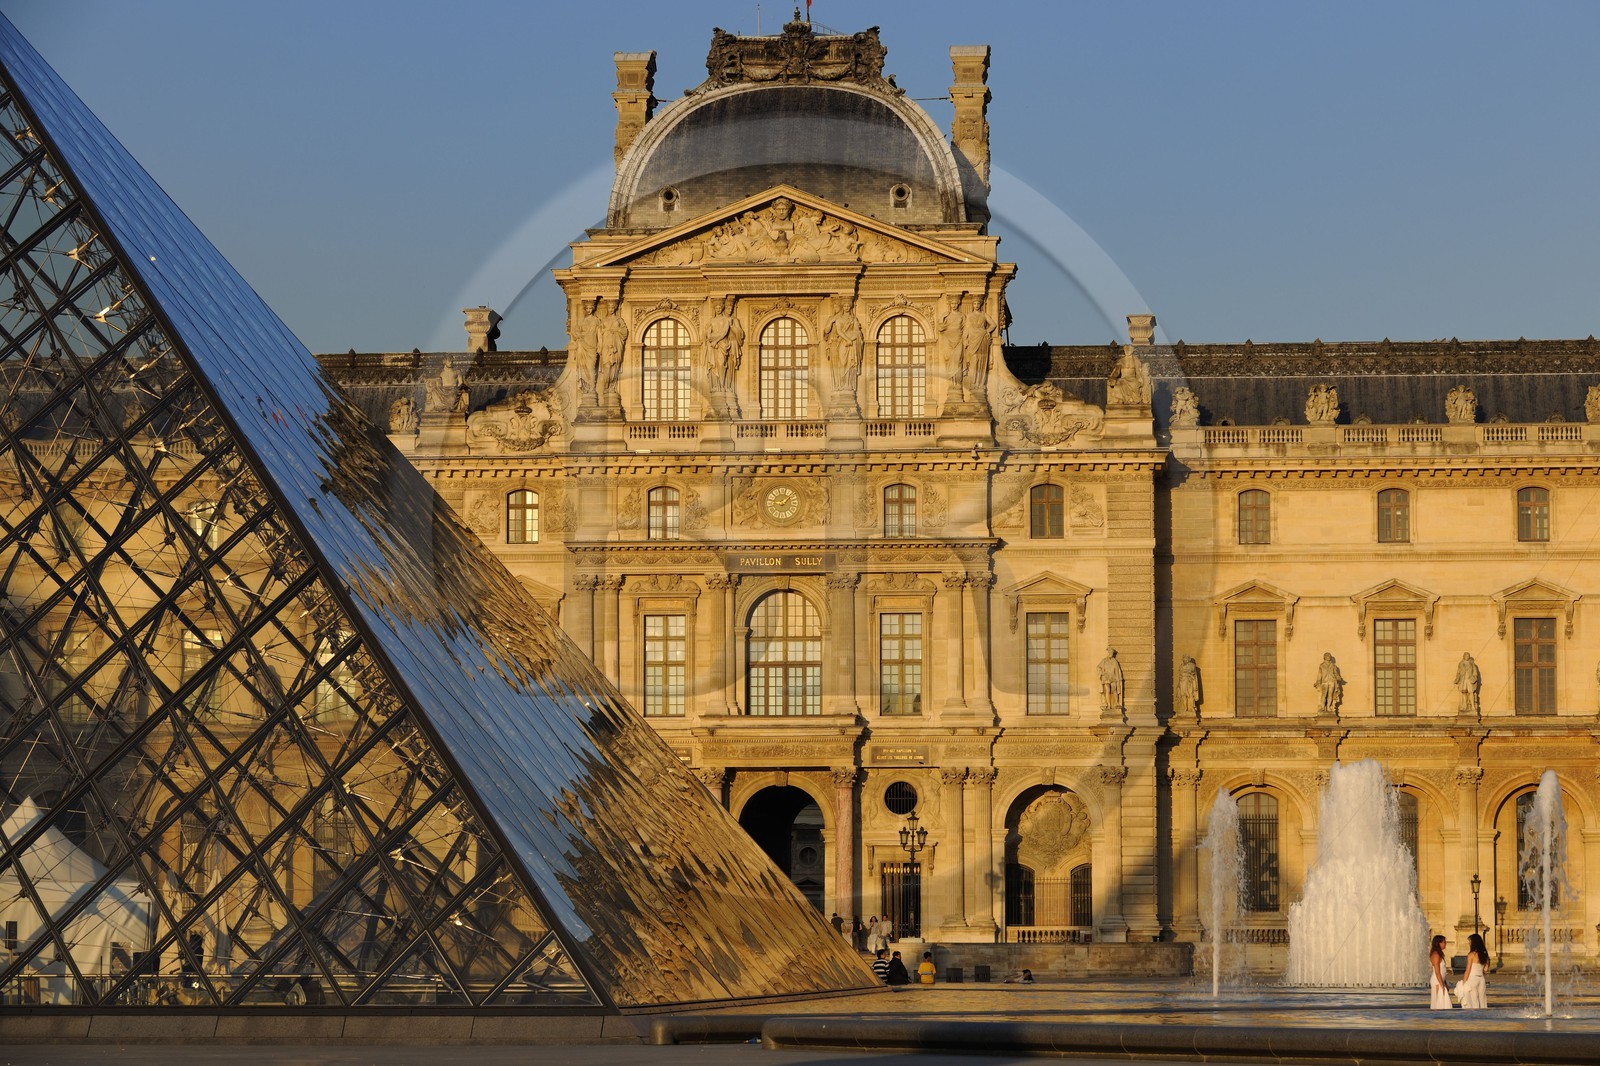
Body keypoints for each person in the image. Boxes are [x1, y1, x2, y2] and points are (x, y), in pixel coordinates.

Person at [1456, 933, 1489, 1009]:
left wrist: (1463, 982)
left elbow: (1468, 970)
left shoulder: (1471, 955)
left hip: (1472, 978)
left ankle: (1475, 1016)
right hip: (1481, 979)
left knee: (1474, 999)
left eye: (1470, 941)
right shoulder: (1484, 954)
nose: (1469, 943)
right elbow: (1486, 969)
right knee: (1482, 999)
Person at [1428, 935, 1453, 1010]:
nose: (1445, 944)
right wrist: (1442, 985)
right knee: (1439, 1001)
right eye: (1444, 942)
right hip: (1437, 981)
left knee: (1443, 1001)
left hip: (1440, 980)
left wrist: (1445, 983)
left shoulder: (1439, 954)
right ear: (1439, 943)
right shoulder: (1436, 955)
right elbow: (1437, 972)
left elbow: (1442, 971)